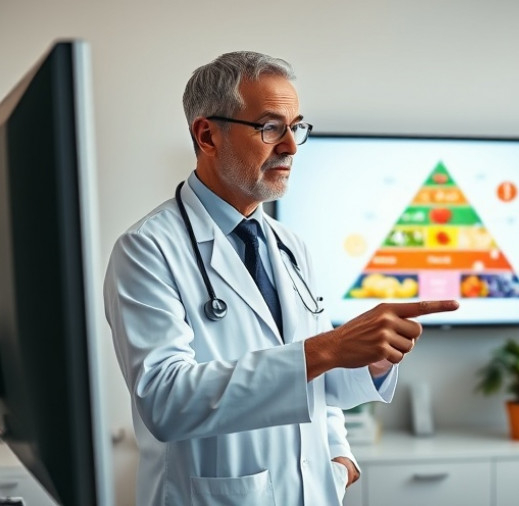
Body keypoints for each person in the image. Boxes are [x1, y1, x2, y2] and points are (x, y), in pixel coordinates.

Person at [104, 51, 459, 506]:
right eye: (271, 127)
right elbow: (166, 402)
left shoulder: (290, 245)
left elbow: (316, 381)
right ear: (207, 135)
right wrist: (330, 346)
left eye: (297, 127)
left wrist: (366, 374)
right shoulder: (147, 249)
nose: (291, 146)